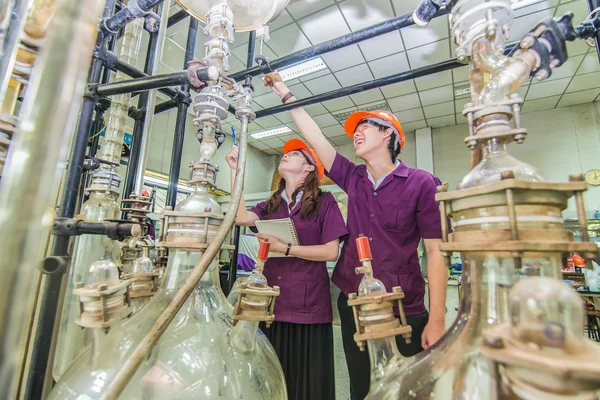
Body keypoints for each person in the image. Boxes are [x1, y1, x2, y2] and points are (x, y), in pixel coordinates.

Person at [264, 72, 448, 400]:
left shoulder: (421, 184)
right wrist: (284, 92)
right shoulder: (353, 177)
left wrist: (437, 318)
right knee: (361, 388)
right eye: (354, 130)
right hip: (352, 302)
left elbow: (436, 252)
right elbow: (316, 138)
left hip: (402, 306)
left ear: (389, 135)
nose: (356, 133)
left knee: (406, 388)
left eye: (365, 127)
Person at [226, 138, 348, 400]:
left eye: (293, 154)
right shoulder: (272, 203)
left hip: (309, 307)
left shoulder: (325, 202)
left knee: (307, 380)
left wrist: (286, 248)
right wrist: (236, 171)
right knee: (273, 372)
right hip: (272, 303)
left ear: (308, 168)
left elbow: (330, 251)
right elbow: (240, 218)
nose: (285, 155)